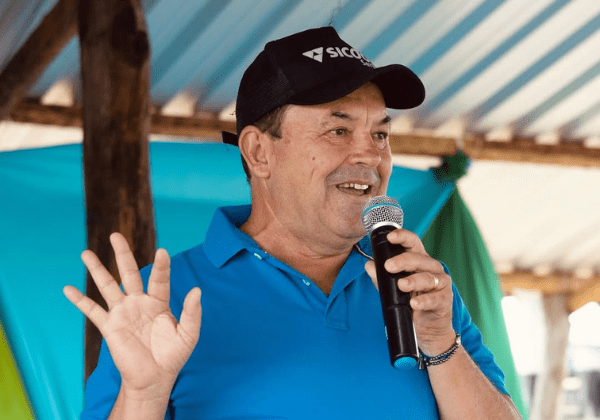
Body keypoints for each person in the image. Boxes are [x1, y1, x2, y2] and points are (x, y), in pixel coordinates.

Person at [64, 27, 522, 419]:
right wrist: (144, 395)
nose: (371, 155)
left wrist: (441, 342)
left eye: (380, 133)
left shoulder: (420, 290)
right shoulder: (167, 298)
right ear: (259, 152)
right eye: (338, 130)